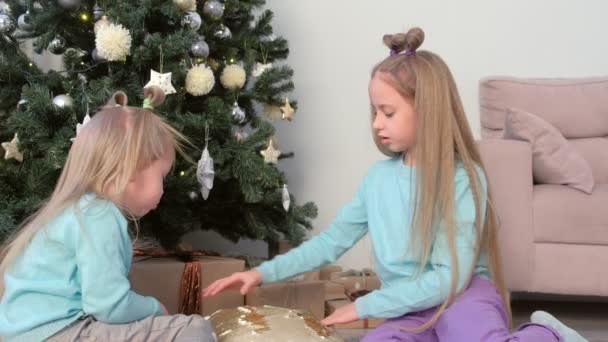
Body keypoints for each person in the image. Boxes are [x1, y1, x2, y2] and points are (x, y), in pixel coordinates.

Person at [203, 27, 587, 342]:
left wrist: (365, 307)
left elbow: (448, 279)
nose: (376, 123)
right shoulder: (378, 179)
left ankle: (546, 331)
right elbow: (330, 242)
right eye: (374, 112)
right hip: (406, 307)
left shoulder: (463, 178)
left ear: (428, 111)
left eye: (388, 112)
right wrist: (263, 273)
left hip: (461, 296)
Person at [0, 86, 217, 342]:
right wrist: (155, 308)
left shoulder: (79, 211)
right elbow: (108, 305)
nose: (163, 189)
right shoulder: (99, 214)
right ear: (129, 171)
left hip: (31, 334)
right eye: (162, 176)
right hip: (60, 334)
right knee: (193, 329)